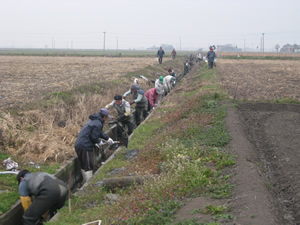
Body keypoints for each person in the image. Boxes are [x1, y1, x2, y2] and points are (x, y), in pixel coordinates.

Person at [75, 108, 114, 183]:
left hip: (79, 145)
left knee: (83, 165)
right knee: (88, 166)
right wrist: (99, 142)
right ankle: (88, 185)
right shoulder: (98, 123)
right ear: (104, 117)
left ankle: (85, 182)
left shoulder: (94, 120)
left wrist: (107, 138)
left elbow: (98, 132)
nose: (106, 120)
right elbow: (94, 136)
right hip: (84, 146)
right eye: (106, 118)